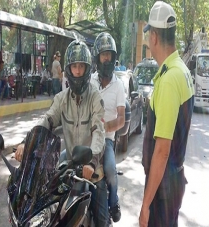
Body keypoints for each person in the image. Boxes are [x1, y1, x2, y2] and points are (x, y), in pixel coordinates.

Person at [14, 40, 111, 226]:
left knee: (101, 218)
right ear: (67, 69)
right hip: (69, 163)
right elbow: (47, 121)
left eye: (81, 67)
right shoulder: (61, 99)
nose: (77, 71)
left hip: (92, 164)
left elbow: (98, 131)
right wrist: (26, 142)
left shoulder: (95, 97)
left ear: (87, 69)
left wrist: (91, 162)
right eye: (74, 66)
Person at [139, 1, 194, 227]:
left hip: (162, 191)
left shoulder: (171, 78)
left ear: (153, 36)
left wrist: (145, 205)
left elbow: (162, 151)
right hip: (171, 184)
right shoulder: (181, 69)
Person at [91, 32, 124, 223]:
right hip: (88, 138)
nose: (106, 58)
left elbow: (121, 118)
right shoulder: (90, 81)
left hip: (107, 140)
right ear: (97, 57)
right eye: (103, 55)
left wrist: (105, 127)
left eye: (109, 55)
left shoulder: (119, 85)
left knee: (110, 170)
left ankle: (113, 202)